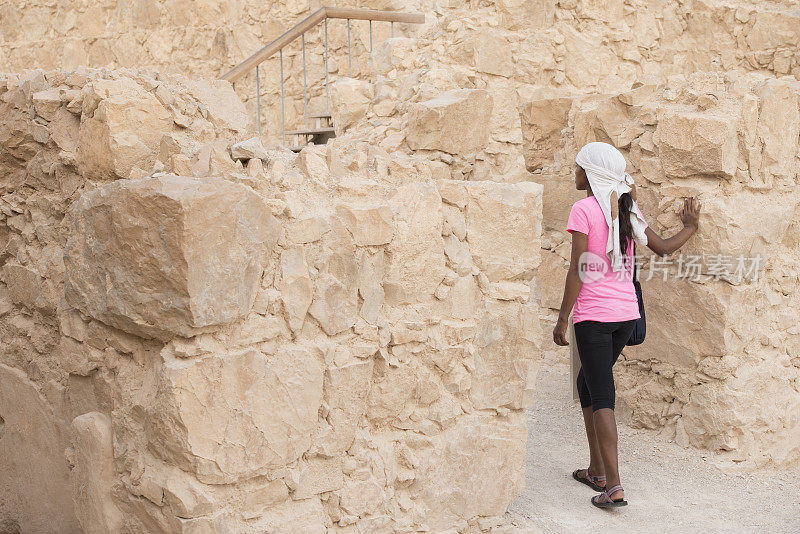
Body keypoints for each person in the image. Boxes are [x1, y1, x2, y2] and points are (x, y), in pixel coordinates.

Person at [552, 142, 701, 508]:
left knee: (601, 394)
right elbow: (664, 248)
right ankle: (596, 470)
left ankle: (613, 486)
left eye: (578, 167)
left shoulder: (584, 209)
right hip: (625, 316)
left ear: (590, 174)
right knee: (586, 383)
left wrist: (562, 318)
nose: (574, 173)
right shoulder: (627, 207)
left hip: (595, 319)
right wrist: (691, 227)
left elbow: (579, 268)